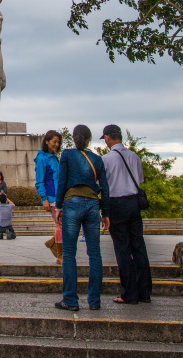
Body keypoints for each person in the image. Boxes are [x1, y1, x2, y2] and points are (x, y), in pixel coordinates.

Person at [53, 124, 110, 311]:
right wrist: (106, 212)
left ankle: (70, 299)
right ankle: (94, 301)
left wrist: (59, 206)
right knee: (95, 254)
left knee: (69, 254)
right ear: (88, 140)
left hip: (72, 203)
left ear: (73, 137)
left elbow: (62, 181)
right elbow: (105, 188)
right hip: (93, 205)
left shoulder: (67, 155)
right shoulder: (97, 158)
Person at [100, 124, 153, 305]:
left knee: (122, 248)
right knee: (138, 246)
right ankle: (144, 292)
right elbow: (139, 180)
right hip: (133, 203)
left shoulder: (106, 159)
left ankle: (129, 292)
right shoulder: (134, 157)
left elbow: (103, 185)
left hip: (116, 203)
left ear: (107, 138)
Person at [34, 130, 62, 263]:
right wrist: (44, 199)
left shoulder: (54, 158)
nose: (56, 144)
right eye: (54, 142)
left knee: (64, 225)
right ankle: (60, 255)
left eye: (58, 142)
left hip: (60, 197)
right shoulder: (41, 159)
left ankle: (53, 243)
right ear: (46, 142)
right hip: (51, 198)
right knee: (61, 224)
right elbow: (39, 181)